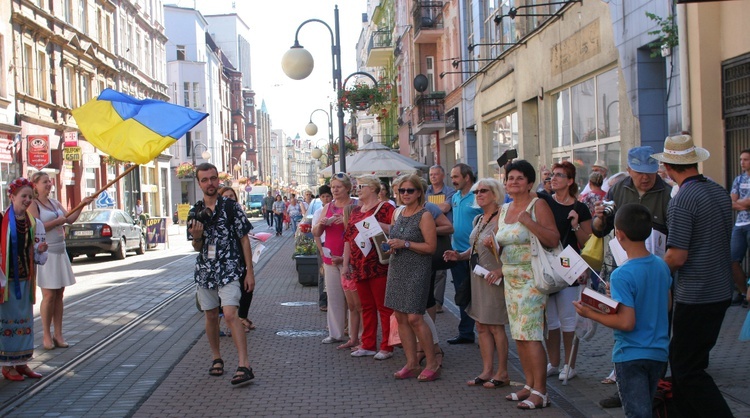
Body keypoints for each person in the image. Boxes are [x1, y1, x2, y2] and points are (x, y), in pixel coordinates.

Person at [653, 134, 734, 417]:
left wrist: (653, 275)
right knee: (687, 363)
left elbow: (677, 256)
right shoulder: (718, 191)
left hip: (697, 294)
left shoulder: (683, 199)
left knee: (687, 369)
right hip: (721, 290)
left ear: (667, 166)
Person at [574, 203, 672, 418]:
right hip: (659, 352)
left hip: (631, 353)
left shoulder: (622, 274)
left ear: (618, 234)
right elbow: (666, 305)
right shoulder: (661, 265)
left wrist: (590, 313)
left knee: (637, 413)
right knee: (649, 408)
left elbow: (627, 323)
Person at [592, 146, 672, 408]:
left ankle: (654, 391)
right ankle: (625, 390)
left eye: (650, 173)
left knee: (650, 323)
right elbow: (604, 230)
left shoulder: (668, 193)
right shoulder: (618, 189)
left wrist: (591, 313)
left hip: (656, 267)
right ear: (629, 170)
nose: (645, 178)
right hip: (625, 266)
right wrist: (600, 221)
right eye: (639, 173)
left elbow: (625, 322)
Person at [495, 160, 559, 409]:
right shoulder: (504, 209)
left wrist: (528, 222)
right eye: (510, 178)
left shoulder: (538, 204)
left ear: (530, 183)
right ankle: (530, 385)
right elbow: (503, 241)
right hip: (510, 278)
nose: (513, 182)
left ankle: (541, 392)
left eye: (520, 178)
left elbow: (553, 239)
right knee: (519, 336)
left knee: (531, 334)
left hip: (532, 279)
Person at [188, 163, 255, 386]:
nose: (210, 183)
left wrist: (249, 272)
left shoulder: (230, 207)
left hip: (229, 268)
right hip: (206, 271)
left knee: (229, 314)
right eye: (205, 180)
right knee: (210, 316)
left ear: (218, 180)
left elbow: (244, 238)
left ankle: (244, 364)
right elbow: (197, 248)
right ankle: (217, 358)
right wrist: (197, 237)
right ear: (199, 184)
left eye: (213, 178)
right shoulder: (194, 211)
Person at [445, 178, 510, 389]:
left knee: (495, 326)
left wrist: (501, 269)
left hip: (494, 277)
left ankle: (502, 373)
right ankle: (487, 370)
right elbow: (474, 250)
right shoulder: (479, 219)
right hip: (477, 277)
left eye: (484, 191)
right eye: (476, 192)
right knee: (481, 325)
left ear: (495, 193)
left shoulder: (503, 217)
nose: (479, 194)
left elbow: (511, 249)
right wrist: (459, 255)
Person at [537, 161, 592, 381]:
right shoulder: (544, 202)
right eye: (552, 175)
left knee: (568, 318)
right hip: (547, 264)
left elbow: (587, 243)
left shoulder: (579, 208)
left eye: (560, 175)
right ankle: (554, 362)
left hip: (569, 265)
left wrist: (576, 225)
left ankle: (570, 365)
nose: (554, 178)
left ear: (570, 181)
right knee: (550, 320)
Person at [28, 172, 93, 350]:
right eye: (44, 182)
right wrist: (58, 221)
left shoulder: (55, 202)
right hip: (45, 253)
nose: (48, 185)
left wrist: (81, 205)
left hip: (60, 250)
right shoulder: (33, 205)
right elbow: (36, 226)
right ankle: (46, 336)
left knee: (59, 295)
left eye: (49, 181)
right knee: (49, 295)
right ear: (35, 185)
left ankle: (58, 333)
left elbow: (69, 218)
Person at [384, 173, 439, 381]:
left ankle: (432, 363)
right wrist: (391, 246)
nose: (405, 194)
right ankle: (411, 363)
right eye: (401, 191)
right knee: (400, 317)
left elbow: (431, 247)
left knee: (415, 316)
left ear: (419, 193)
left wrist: (405, 244)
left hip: (417, 269)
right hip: (397, 267)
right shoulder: (398, 213)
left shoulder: (424, 215)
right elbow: (395, 238)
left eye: (410, 190)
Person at [1, 178, 48, 381]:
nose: (28, 200)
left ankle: (21, 362)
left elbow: (38, 257)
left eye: (30, 196)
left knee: (25, 321)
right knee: (7, 324)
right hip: (6, 282)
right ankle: (6, 364)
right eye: (24, 196)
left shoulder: (34, 223)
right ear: (12, 197)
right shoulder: (2, 221)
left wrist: (40, 250)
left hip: (25, 280)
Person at [343, 175, 395, 359]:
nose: (358, 189)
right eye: (357, 185)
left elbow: (396, 229)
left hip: (378, 264)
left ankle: (387, 346)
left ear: (373, 188)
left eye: (361, 186)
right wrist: (346, 263)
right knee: (366, 306)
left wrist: (379, 225)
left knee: (384, 306)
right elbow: (348, 238)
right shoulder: (356, 211)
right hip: (359, 265)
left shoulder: (386, 208)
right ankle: (368, 343)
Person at [313, 172, 356, 344]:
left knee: (353, 300)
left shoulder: (355, 205)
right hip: (330, 257)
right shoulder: (328, 206)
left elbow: (361, 229)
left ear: (347, 188)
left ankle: (356, 334)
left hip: (350, 258)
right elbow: (316, 232)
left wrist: (345, 221)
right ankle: (336, 333)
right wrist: (322, 223)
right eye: (333, 187)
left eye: (338, 187)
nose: (335, 190)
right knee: (334, 297)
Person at [447, 163, 482, 344]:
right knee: (462, 293)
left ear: (466, 177)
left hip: (476, 254)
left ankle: (485, 332)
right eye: (452, 177)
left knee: (479, 294)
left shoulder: (478, 196)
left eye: (456, 177)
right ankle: (466, 332)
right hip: (457, 252)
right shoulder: (455, 197)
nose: (453, 181)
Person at [219, 186, 255, 332]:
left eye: (231, 196)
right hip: (224, 262)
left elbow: (245, 237)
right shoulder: (219, 215)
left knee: (247, 288)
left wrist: (249, 268)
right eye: (225, 196)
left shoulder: (239, 213)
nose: (229, 198)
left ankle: (241, 317)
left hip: (239, 257)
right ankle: (233, 322)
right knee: (228, 293)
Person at [426, 165, 455, 315]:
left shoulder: (450, 191)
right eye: (431, 174)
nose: (433, 177)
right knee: (429, 267)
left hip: (443, 234)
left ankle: (438, 302)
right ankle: (429, 298)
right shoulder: (426, 190)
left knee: (441, 270)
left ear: (443, 176)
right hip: (426, 234)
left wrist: (429, 208)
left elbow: (445, 208)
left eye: (436, 174)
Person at [730, 149, 750, 307]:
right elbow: (731, 202)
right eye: (741, 159)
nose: (742, 162)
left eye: (746, 159)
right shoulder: (738, 179)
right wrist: (744, 205)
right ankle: (743, 292)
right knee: (732, 259)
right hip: (740, 224)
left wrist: (740, 203)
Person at [311, 185, 332, 312]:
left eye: (328, 196)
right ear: (320, 198)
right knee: (323, 274)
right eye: (323, 196)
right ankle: (323, 300)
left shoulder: (334, 209)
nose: (326, 199)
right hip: (323, 244)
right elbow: (316, 233)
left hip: (333, 244)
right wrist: (320, 250)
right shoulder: (318, 212)